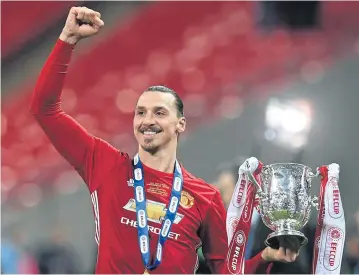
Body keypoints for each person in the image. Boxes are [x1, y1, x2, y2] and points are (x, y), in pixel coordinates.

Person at [30, 6, 299, 274]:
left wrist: (265, 255)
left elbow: (226, 271)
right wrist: (67, 39)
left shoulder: (205, 197)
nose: (148, 120)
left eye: (159, 112)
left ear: (180, 124)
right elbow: (45, 109)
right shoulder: (105, 165)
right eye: (141, 112)